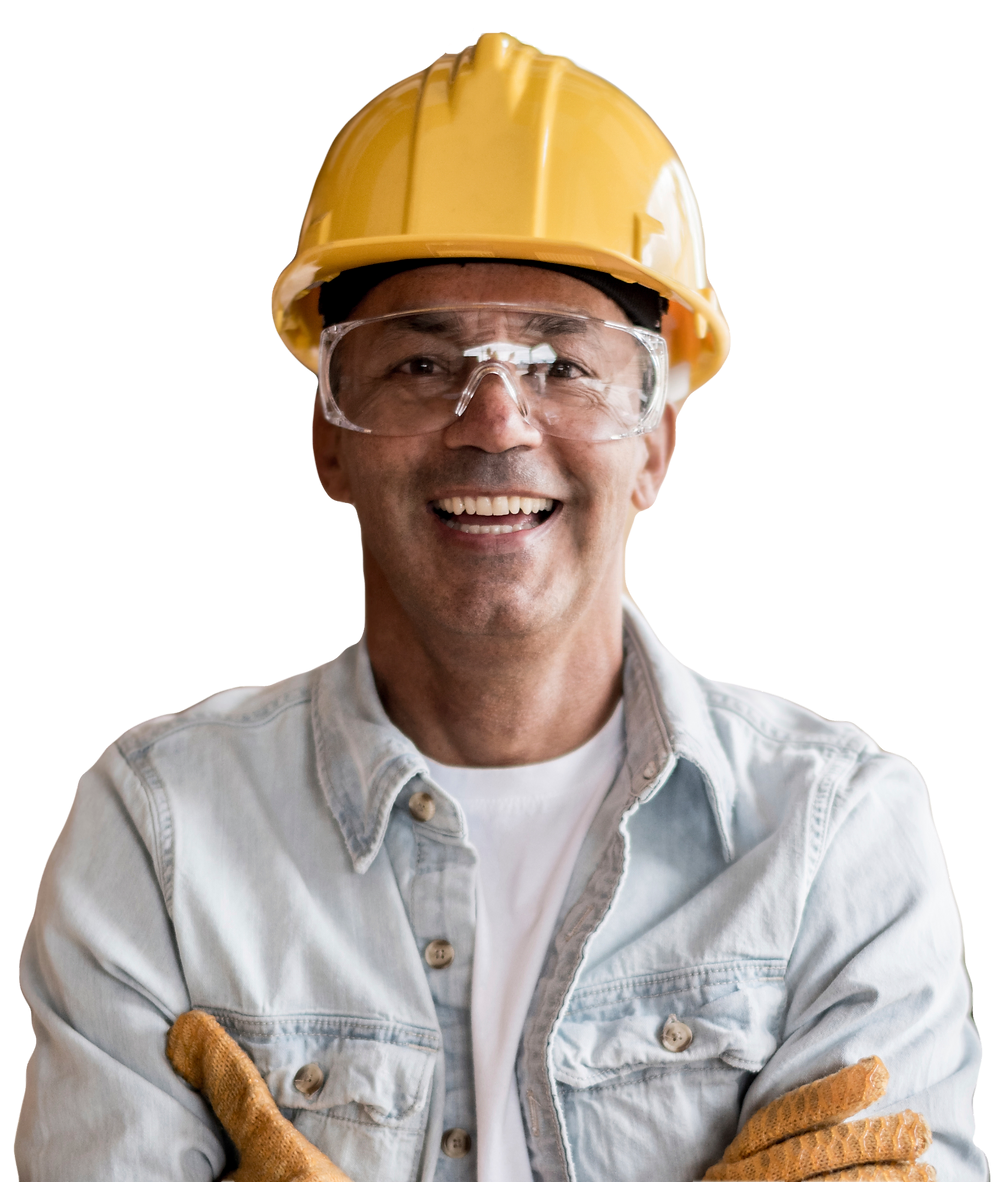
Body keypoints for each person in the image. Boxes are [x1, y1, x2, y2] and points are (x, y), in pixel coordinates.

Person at [15, 30, 984, 1182]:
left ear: (656, 445)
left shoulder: (836, 835)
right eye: (421, 365)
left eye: (563, 365)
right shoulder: (160, 831)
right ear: (329, 438)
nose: (494, 422)